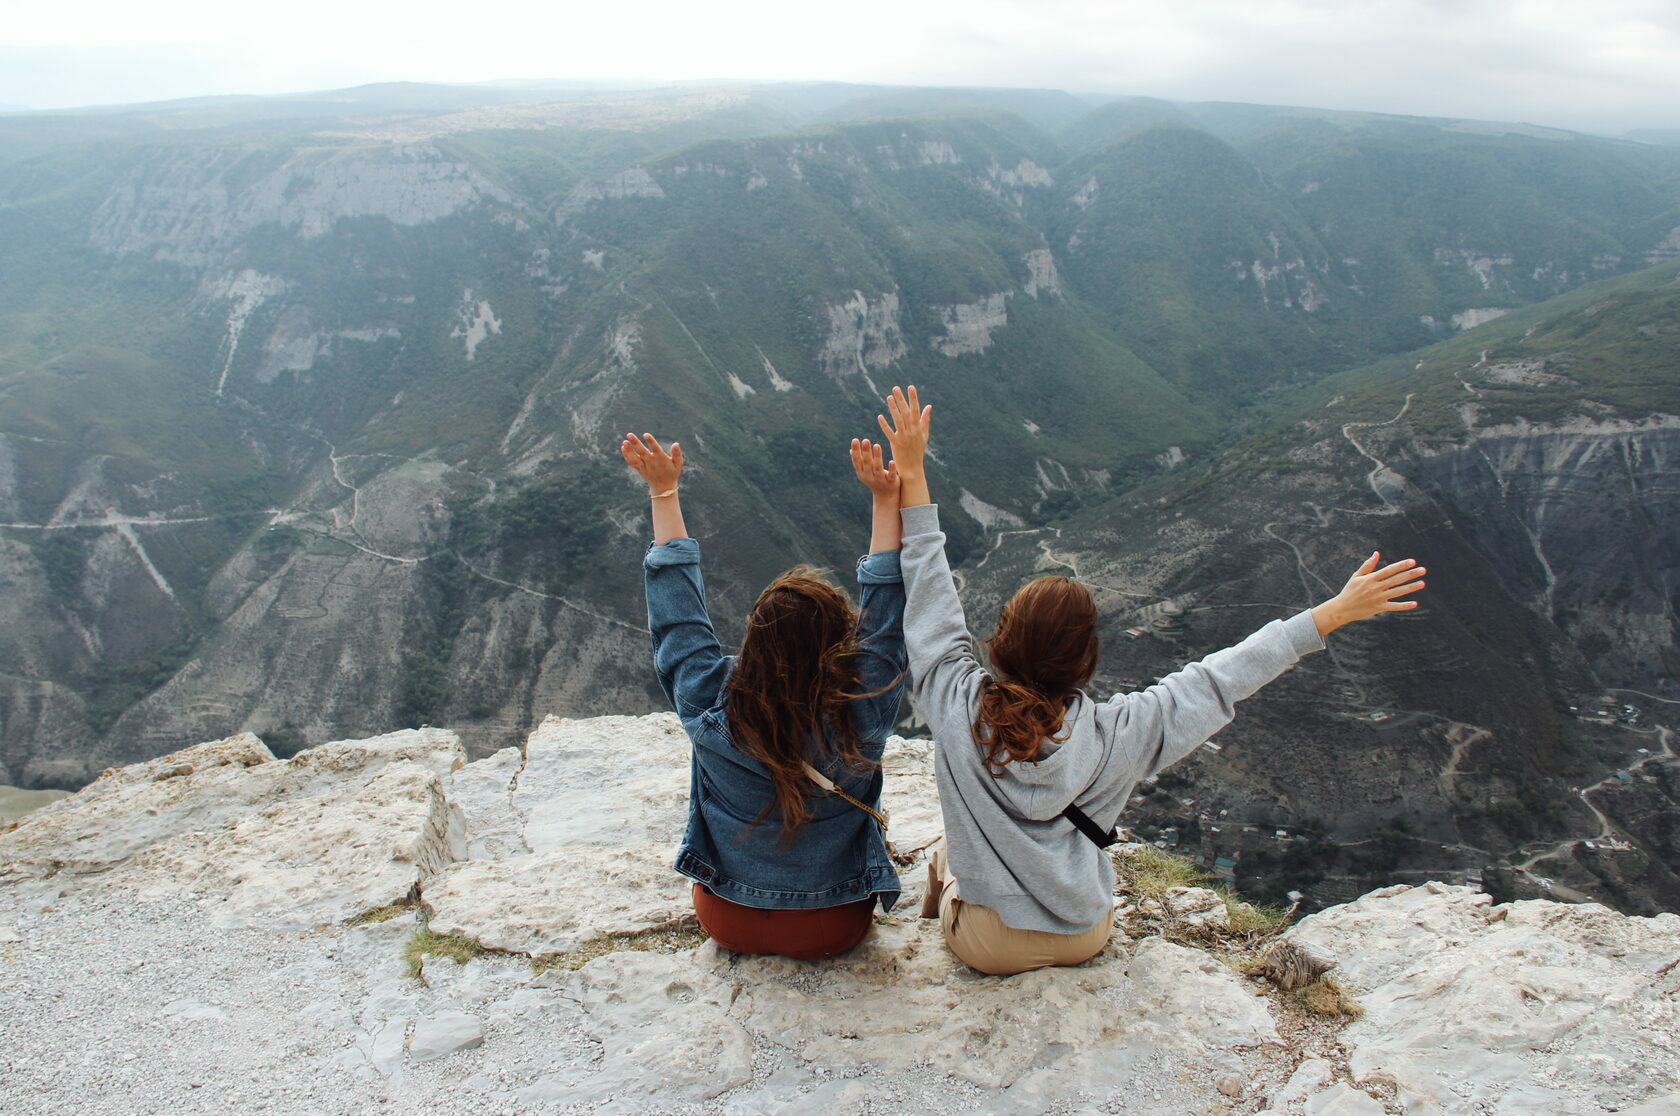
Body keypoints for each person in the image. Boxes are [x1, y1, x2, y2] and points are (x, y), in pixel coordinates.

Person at [872, 386, 1427, 976]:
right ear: (1086, 659)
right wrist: (1333, 612)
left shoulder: (958, 704)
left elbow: (930, 597)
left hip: (990, 944)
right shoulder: (1122, 733)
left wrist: (912, 472)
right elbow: (1221, 678)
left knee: (944, 860)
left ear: (1003, 643)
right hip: (1083, 932)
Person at [619, 430, 909, 960]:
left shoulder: (708, 698)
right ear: (840, 643)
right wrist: (886, 498)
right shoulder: (862, 703)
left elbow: (677, 613)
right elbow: (887, 618)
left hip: (731, 919)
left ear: (754, 639)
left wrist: (664, 492)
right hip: (835, 922)